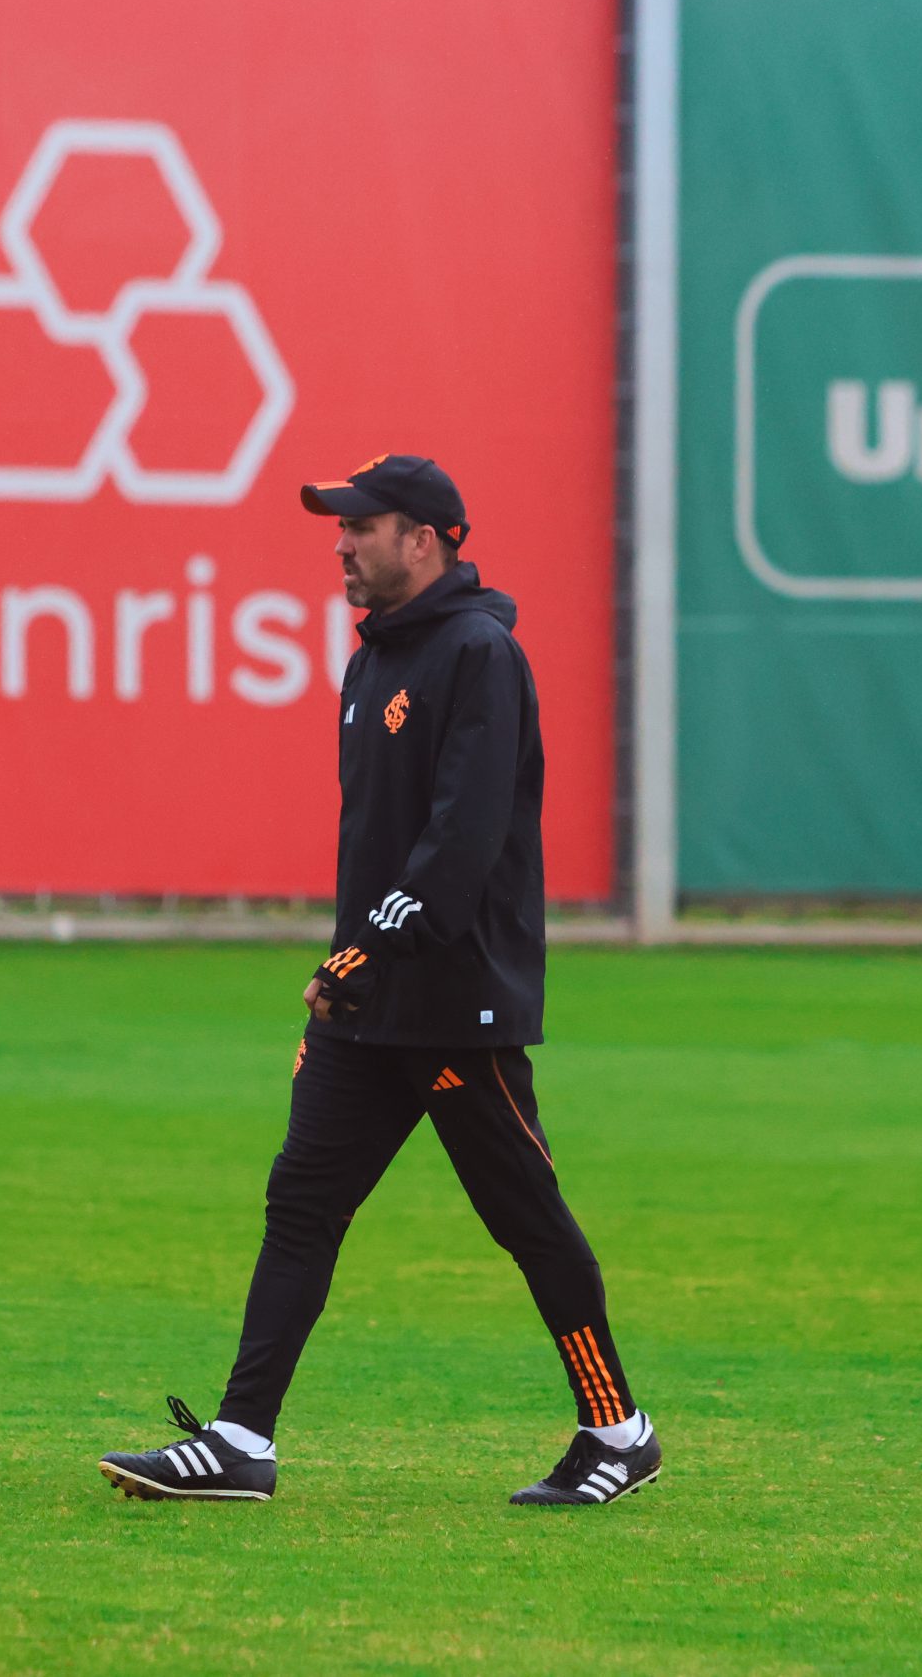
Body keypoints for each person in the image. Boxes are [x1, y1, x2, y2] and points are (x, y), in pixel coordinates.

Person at [97, 454, 658, 1508]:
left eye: (364, 525)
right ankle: (239, 1442)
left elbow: (461, 841)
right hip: (371, 1004)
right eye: (339, 526)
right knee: (300, 1203)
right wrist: (355, 966)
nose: (343, 542)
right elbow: (381, 848)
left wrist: (361, 952)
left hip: (455, 1003)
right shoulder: (373, 663)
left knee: (524, 1217)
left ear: (429, 538)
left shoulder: (478, 653)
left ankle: (617, 1431)